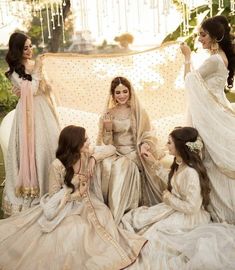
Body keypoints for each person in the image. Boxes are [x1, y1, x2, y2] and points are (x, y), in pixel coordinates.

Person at [0, 125, 146, 270]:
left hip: (90, 201)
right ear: (75, 143)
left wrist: (94, 158)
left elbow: (111, 148)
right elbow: (54, 197)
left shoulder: (86, 154)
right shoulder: (57, 165)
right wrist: (76, 195)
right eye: (86, 140)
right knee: (74, 230)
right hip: (66, 206)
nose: (89, 142)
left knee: (104, 218)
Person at [123, 127, 235, 270]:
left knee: (154, 236)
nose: (166, 145)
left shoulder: (191, 173)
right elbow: (174, 182)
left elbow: (192, 207)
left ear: (180, 146)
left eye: (169, 143)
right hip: (175, 209)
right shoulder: (179, 163)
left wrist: (169, 199)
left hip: (189, 217)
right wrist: (153, 162)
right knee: (137, 219)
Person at [180, 15, 235, 224]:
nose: (200, 39)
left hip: (211, 115)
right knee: (214, 163)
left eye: (203, 35)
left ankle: (221, 214)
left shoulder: (213, 60)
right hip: (216, 111)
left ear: (214, 36)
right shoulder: (220, 57)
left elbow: (189, 81)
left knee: (212, 162)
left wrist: (186, 58)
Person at [2, 32, 61, 216]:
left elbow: (42, 88)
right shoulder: (14, 72)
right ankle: (36, 189)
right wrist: (37, 71)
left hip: (43, 110)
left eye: (30, 46)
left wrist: (42, 75)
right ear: (18, 50)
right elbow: (32, 89)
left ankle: (53, 185)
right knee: (35, 148)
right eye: (25, 47)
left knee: (50, 145)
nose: (29, 50)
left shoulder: (34, 66)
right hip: (28, 116)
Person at [96, 76, 164, 224]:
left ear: (130, 92)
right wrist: (107, 129)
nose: (121, 95)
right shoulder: (108, 113)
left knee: (122, 167)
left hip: (134, 152)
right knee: (106, 165)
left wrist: (144, 144)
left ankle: (120, 214)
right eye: (118, 92)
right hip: (116, 151)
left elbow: (148, 133)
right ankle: (112, 211)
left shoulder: (138, 111)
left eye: (124, 91)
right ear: (112, 95)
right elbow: (107, 142)